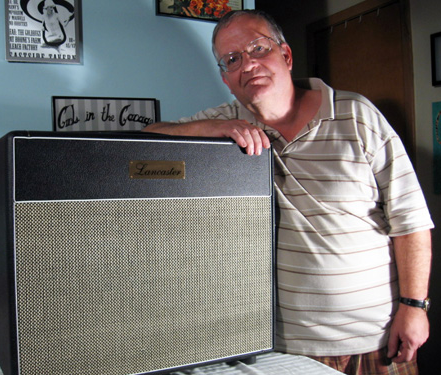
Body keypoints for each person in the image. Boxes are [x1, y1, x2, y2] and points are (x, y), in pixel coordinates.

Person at [144, 9, 434, 375]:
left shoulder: (358, 115)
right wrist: (213, 127)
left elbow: (410, 220)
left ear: (286, 55)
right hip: (282, 351)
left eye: (258, 48)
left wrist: (415, 306)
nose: (248, 64)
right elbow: (146, 137)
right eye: (232, 60)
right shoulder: (224, 124)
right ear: (226, 79)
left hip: (377, 341)